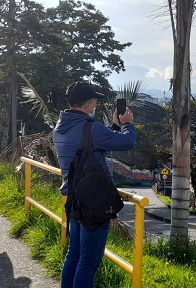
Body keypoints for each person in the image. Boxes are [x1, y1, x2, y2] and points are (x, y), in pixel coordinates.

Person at [53, 82, 136, 288]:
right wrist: (127, 124)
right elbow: (127, 142)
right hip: (94, 203)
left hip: (74, 199)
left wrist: (114, 128)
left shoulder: (61, 127)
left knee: (74, 255)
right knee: (88, 262)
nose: (95, 105)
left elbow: (93, 144)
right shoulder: (91, 128)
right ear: (89, 104)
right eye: (95, 102)